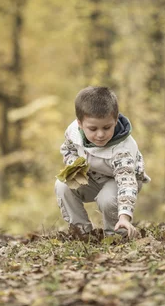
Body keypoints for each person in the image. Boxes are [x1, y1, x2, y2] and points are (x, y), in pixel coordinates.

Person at [55, 86, 150, 239]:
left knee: (106, 199)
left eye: (107, 127)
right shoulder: (73, 132)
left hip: (122, 181)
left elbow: (127, 184)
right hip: (93, 175)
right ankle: (81, 232)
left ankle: (116, 234)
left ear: (116, 119)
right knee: (62, 185)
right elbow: (68, 150)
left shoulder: (122, 150)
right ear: (80, 123)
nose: (100, 134)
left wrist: (125, 217)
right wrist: (75, 166)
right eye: (93, 129)